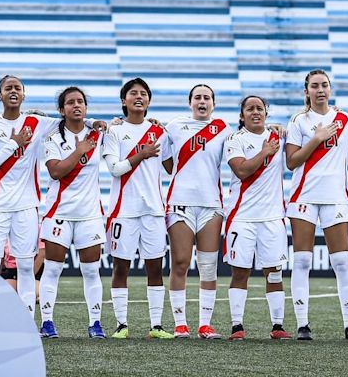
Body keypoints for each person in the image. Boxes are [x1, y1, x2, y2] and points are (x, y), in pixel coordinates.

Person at [0, 75, 105, 318]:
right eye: (7, 88)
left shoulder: (37, 122)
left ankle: (26, 321)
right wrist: (13, 144)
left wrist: (96, 121)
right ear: (0, 95)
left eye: (17, 88)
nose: (13, 91)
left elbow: (72, 119)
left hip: (27, 207)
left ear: (24, 95)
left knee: (26, 266)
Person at [285, 69, 348, 340]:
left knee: (342, 261)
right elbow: (292, 161)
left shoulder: (344, 119)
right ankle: (303, 325)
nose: (320, 90)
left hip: (335, 197)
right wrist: (316, 138)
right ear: (306, 91)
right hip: (304, 196)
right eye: (315, 86)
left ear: (330, 89)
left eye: (324, 85)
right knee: (303, 260)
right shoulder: (299, 121)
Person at [103, 78, 174, 339]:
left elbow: (170, 167)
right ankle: (121, 324)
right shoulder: (114, 132)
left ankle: (156, 326)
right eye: (133, 93)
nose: (138, 97)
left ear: (149, 101)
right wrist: (140, 155)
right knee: (120, 268)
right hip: (123, 210)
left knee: (154, 268)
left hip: (154, 210)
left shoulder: (160, 132)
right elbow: (114, 168)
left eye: (143, 93)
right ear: (124, 100)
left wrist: (170, 133)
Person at [38, 87, 107, 339]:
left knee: (91, 271)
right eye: (70, 102)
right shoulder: (52, 138)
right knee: (53, 269)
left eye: (80, 102)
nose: (76, 106)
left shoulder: (98, 135)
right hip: (59, 213)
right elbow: (56, 171)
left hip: (89, 214)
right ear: (62, 109)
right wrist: (79, 151)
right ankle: (47, 322)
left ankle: (96, 323)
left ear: (86, 107)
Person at [165, 84, 232, 339]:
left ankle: (205, 324)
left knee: (208, 266)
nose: (202, 101)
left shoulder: (224, 129)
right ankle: (180, 323)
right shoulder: (174, 126)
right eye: (197, 97)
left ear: (213, 103)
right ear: (189, 102)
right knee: (180, 262)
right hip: (180, 203)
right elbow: (164, 157)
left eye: (207, 97)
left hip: (211, 205)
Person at [223, 96, 291, 340]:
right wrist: (265, 152)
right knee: (240, 272)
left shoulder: (278, 137)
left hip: (273, 217)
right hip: (242, 216)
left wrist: (276, 138)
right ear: (242, 115)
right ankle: (237, 326)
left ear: (266, 113)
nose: (255, 112)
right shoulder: (234, 139)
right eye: (249, 109)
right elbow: (241, 170)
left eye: (259, 108)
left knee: (274, 273)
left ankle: (277, 326)